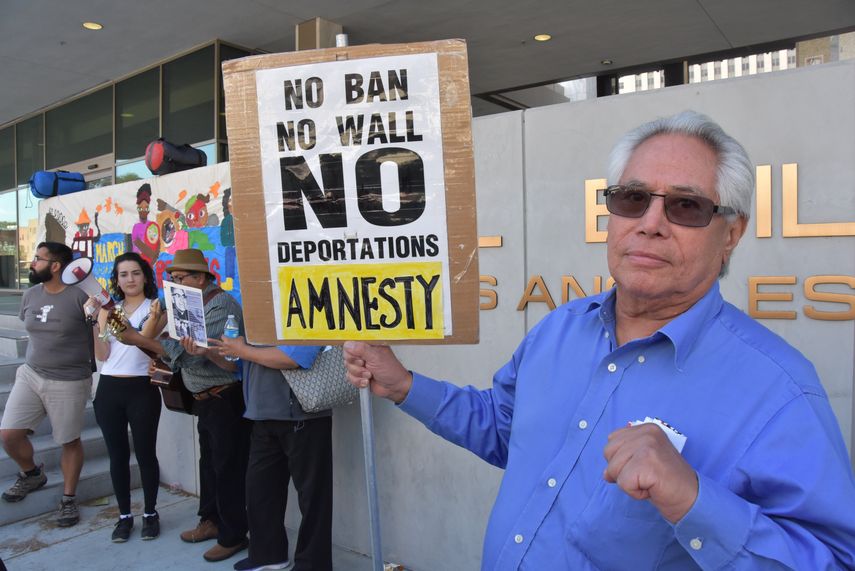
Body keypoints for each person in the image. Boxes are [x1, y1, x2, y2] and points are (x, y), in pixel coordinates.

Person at [343, 111, 855, 569]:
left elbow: (833, 560)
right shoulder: (559, 329)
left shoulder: (778, 389)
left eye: (686, 206)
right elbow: (504, 429)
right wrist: (404, 385)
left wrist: (696, 501)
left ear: (732, 233)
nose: (651, 224)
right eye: (633, 199)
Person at [119, 248, 250, 563]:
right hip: (203, 398)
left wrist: (139, 339)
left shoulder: (221, 305)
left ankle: (234, 535)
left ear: (200, 277)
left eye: (180, 278)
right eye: (172, 279)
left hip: (225, 397)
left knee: (228, 468)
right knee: (209, 464)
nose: (174, 283)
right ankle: (210, 520)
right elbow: (170, 346)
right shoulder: (182, 304)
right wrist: (154, 325)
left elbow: (187, 353)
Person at [210, 336, 331, 571]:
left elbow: (294, 358)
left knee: (313, 497)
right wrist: (208, 353)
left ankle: (313, 566)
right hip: (261, 412)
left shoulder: (306, 302)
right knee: (260, 491)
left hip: (302, 414)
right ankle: (267, 555)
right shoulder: (257, 312)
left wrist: (244, 350)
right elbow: (238, 364)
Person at [0, 241, 95, 527]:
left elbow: (101, 331)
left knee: (69, 441)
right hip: (30, 374)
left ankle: (68, 498)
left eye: (38, 259)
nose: (31, 263)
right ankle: (32, 474)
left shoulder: (80, 296)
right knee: (9, 435)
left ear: (55, 265)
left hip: (69, 380)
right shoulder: (29, 294)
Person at [84, 252, 162, 542]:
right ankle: (124, 516)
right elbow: (103, 355)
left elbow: (143, 337)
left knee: (145, 454)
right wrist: (93, 321)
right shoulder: (108, 309)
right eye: (123, 274)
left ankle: (151, 513)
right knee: (117, 457)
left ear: (145, 276)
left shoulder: (155, 307)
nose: (130, 279)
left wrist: (114, 316)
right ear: (116, 280)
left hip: (142, 389)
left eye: (135, 273)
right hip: (109, 390)